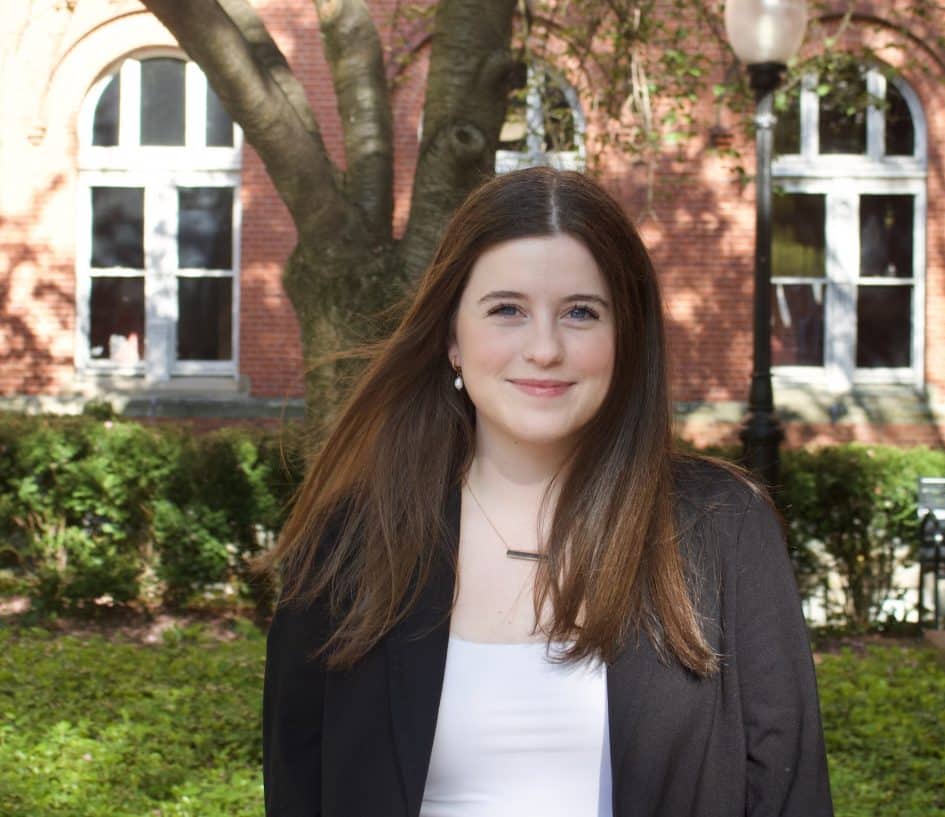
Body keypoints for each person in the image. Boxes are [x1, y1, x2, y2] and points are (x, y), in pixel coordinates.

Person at [260, 166, 834, 817]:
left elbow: (791, 795)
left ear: (627, 336)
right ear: (452, 337)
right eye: (507, 309)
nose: (544, 348)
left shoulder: (721, 529)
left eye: (580, 313)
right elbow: (296, 787)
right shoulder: (349, 545)